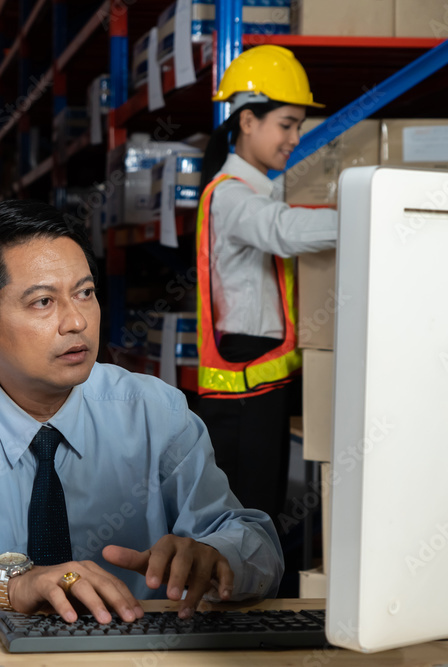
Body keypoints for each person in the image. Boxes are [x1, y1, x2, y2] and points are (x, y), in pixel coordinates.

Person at [0, 199, 283, 621]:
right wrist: (7, 583)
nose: (77, 321)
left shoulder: (154, 411)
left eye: (84, 293)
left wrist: (216, 556)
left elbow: (256, 544)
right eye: (44, 302)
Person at [194, 45, 338, 530]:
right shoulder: (232, 195)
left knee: (263, 515)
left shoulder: (259, 191)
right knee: (245, 521)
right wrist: (371, 210)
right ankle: (236, 607)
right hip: (243, 386)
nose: (295, 138)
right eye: (287, 124)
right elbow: (284, 231)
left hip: (262, 377)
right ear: (249, 121)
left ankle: (255, 602)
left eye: (299, 125)